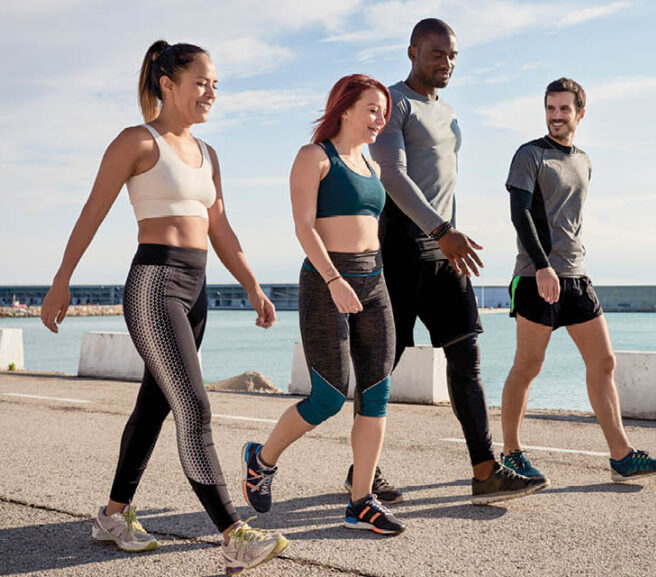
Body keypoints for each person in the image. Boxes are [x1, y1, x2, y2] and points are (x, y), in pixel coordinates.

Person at [39, 40, 287, 575]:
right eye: (201, 82)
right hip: (154, 286)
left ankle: (111, 516)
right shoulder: (137, 141)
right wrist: (62, 281)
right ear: (167, 84)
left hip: (196, 290)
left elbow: (219, 226)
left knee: (155, 405)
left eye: (215, 84)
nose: (211, 93)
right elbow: (93, 210)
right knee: (193, 407)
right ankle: (233, 535)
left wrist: (251, 284)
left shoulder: (208, 153)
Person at [367, 18, 546, 505]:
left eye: (452, 56)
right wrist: (441, 230)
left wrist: (448, 234)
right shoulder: (392, 104)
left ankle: (485, 471)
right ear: (412, 51)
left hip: (445, 251)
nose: (445, 63)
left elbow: (442, 182)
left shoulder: (448, 114)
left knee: (466, 357)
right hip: (403, 248)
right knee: (385, 364)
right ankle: (363, 471)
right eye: (436, 53)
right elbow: (391, 175)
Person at [240, 74, 406, 535]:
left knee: (376, 394)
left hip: (374, 283)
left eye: (384, 111)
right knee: (330, 396)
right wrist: (334, 279)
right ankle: (261, 458)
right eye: (372, 109)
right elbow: (304, 227)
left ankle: (361, 502)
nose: (380, 118)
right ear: (346, 107)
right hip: (326, 280)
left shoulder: (372, 167)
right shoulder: (315, 157)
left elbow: (373, 231)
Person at [500, 78, 656, 484]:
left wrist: (566, 265)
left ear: (581, 113)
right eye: (550, 108)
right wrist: (543, 266)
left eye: (564, 109)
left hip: (577, 276)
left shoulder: (584, 160)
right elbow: (520, 214)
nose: (556, 116)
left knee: (603, 362)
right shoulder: (530, 155)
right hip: (536, 276)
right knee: (528, 366)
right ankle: (511, 454)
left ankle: (622, 456)